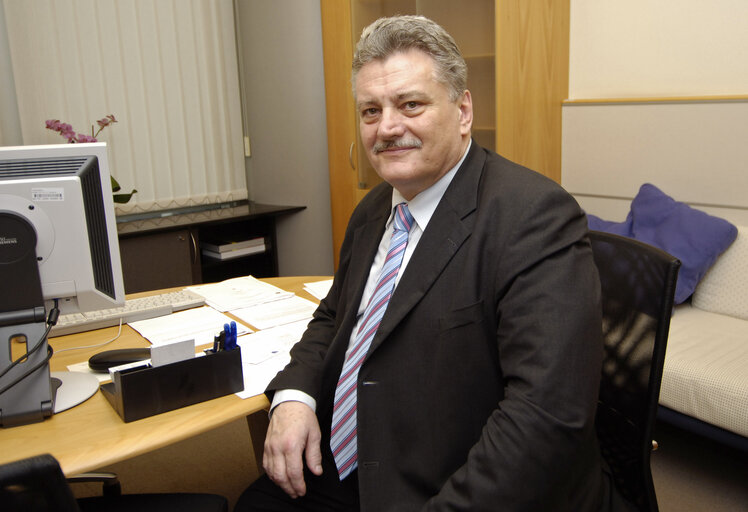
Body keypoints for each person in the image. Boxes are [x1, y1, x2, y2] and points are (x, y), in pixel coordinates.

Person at [235, 15, 631, 512]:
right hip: (361, 448)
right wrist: (295, 395)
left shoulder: (533, 217)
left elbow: (545, 416)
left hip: (452, 480)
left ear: (463, 111)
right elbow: (334, 318)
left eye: (411, 104)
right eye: (370, 111)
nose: (387, 128)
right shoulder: (375, 208)